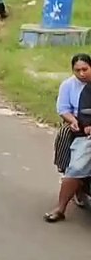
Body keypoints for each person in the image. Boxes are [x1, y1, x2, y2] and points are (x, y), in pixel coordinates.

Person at [48, 53, 91, 222]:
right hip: (83, 131)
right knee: (77, 167)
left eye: (85, 69)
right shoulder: (83, 89)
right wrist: (79, 123)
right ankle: (61, 208)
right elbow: (84, 114)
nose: (82, 73)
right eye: (77, 70)